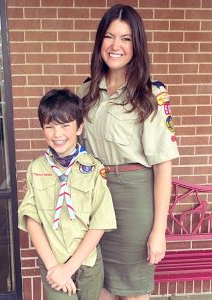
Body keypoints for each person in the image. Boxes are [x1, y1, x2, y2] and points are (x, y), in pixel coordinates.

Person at [78, 4, 179, 300]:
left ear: (137, 45)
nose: (116, 46)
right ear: (100, 42)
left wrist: (158, 231)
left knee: (134, 291)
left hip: (134, 201)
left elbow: (163, 167)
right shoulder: (85, 92)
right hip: (94, 197)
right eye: (109, 37)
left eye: (125, 39)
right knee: (99, 286)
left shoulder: (151, 94)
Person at [18, 88, 117, 300]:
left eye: (65, 126)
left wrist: (70, 267)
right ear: (42, 129)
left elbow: (100, 221)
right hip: (53, 261)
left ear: (79, 127)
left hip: (87, 263)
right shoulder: (35, 169)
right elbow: (31, 219)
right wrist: (56, 267)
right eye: (50, 127)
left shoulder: (93, 168)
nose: (57, 134)